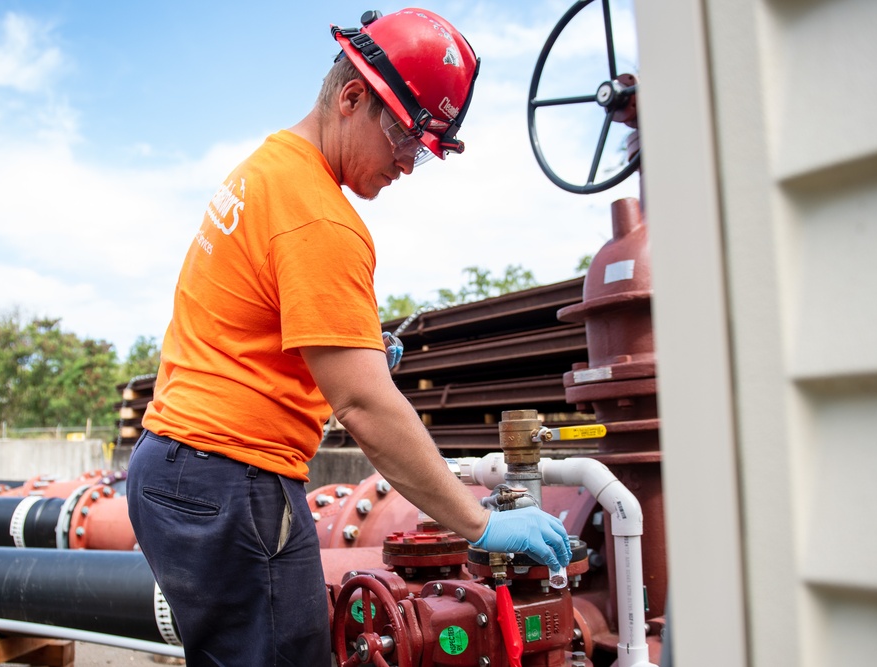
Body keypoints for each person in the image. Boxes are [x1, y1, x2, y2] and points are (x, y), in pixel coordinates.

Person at [126, 8, 571, 667]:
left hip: (176, 469)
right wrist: (479, 520)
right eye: (403, 138)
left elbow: (249, 331)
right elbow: (366, 407)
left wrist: (348, 347)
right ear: (352, 96)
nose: (408, 165)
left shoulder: (267, 170)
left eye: (423, 150)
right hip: (231, 479)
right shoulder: (320, 218)